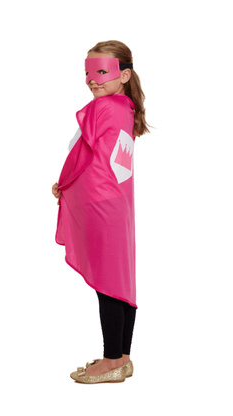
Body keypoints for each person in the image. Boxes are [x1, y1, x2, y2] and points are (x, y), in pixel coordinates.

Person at [52, 40, 151, 384]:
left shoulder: (101, 107)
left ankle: (111, 362)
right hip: (118, 203)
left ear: (124, 75)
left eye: (101, 72)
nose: (92, 80)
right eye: (87, 73)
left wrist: (63, 182)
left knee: (107, 282)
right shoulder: (126, 107)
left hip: (98, 201)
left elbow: (82, 154)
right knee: (119, 278)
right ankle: (122, 357)